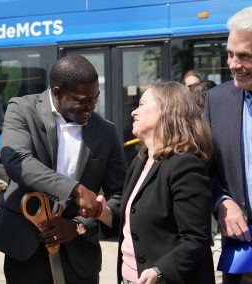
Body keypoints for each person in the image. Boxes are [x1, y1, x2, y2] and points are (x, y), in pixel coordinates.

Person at [0, 54, 127, 283]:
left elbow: (119, 196)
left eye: (95, 98)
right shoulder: (22, 109)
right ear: (57, 92)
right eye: (83, 100)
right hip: (25, 249)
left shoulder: (106, 131)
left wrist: (78, 227)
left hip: (79, 257)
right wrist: (76, 190)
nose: (91, 107)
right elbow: (17, 161)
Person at [97, 81, 215, 284]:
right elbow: (136, 224)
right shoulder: (140, 160)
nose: (134, 112)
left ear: (167, 110)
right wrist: (102, 212)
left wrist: (160, 271)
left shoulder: (185, 165)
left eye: (142, 104)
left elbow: (196, 240)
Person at [204, 6, 252, 284]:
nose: (233, 64)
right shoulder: (216, 100)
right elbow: (201, 167)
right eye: (230, 54)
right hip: (242, 253)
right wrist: (222, 201)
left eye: (245, 56)